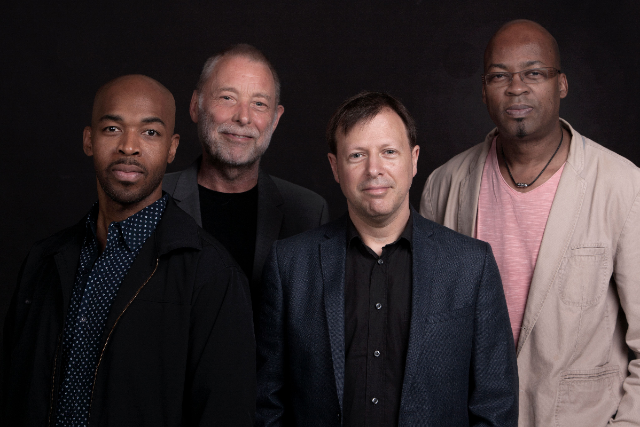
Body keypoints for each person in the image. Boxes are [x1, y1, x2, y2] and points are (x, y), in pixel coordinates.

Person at [421, 19, 640, 426]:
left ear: (562, 84)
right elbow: (428, 332)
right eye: (499, 76)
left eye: (534, 73)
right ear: (483, 90)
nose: (516, 88)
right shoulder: (444, 186)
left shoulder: (623, 186)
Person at [2, 75, 255, 426]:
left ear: (172, 148)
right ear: (89, 140)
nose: (129, 147)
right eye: (112, 129)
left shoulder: (213, 276)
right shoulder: (43, 260)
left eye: (150, 132)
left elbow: (225, 414)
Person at [257, 91, 518, 426]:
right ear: (335, 167)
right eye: (357, 155)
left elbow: (496, 405)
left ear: (414, 159)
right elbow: (267, 402)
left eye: (389, 152)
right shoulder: (290, 266)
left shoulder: (471, 266)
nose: (374, 169)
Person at [163, 44, 329, 320]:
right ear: (195, 106)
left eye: (259, 104)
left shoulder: (309, 213)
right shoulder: (153, 200)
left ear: (275, 119)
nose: (243, 117)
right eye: (227, 97)